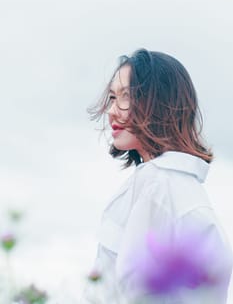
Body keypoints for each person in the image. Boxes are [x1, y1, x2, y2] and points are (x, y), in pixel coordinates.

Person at [81, 49, 233, 304]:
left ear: (159, 103)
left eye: (126, 97)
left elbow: (132, 291)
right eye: (112, 97)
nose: (111, 111)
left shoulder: (157, 184)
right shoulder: (183, 188)